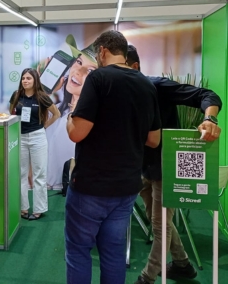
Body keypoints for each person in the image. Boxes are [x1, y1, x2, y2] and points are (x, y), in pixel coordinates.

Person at [65, 31, 161, 284]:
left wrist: (71, 114)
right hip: (126, 186)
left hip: (91, 186)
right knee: (113, 253)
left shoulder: (98, 78)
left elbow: (76, 133)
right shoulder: (147, 84)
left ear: (103, 51)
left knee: (78, 250)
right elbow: (154, 139)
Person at [126, 45, 222, 284]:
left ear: (134, 67)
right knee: (155, 217)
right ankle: (182, 264)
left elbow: (208, 96)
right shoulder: (121, 94)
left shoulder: (157, 86)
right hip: (144, 166)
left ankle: (147, 277)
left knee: (160, 225)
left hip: (166, 165)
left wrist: (209, 119)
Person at [45, 34, 98, 189]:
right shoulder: (57, 109)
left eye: (90, 70)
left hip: (73, 189)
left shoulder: (91, 118)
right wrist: (47, 90)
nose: (78, 71)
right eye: (79, 62)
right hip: (48, 188)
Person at [10, 68, 60, 220]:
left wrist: (44, 126)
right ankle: (23, 208)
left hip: (38, 137)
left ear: (35, 81)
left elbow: (56, 114)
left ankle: (39, 209)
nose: (25, 81)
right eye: (23, 78)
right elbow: (12, 114)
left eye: (28, 78)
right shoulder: (16, 95)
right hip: (20, 137)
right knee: (21, 174)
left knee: (39, 174)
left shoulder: (42, 97)